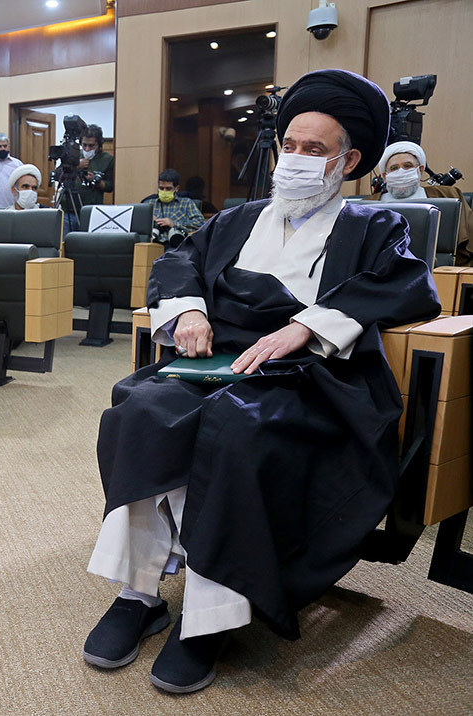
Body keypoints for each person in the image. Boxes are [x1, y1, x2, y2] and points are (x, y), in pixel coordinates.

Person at [82, 69, 439, 695]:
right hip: (215, 361)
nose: (295, 158)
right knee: (138, 412)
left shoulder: (375, 225)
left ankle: (208, 614)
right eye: (289, 145)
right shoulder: (239, 218)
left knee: (232, 430)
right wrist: (189, 310)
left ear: (350, 161)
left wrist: (306, 326)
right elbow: (180, 259)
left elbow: (408, 285)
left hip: (310, 376)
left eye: (315, 149)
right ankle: (139, 593)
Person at [371, 140, 471, 265]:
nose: (401, 172)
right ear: (385, 175)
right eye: (394, 168)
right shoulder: (369, 204)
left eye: (407, 166)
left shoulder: (447, 195)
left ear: (420, 170)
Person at [60, 124, 113, 231]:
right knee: (65, 240)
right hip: (68, 210)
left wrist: (96, 182)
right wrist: (76, 166)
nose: (87, 149)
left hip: (91, 211)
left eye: (91, 146)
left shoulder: (107, 160)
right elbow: (59, 174)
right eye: (84, 145)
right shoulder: (74, 155)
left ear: (99, 145)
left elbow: (110, 186)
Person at [143, 169, 205, 246]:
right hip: (153, 244)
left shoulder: (186, 203)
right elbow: (135, 226)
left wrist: (174, 224)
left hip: (176, 245)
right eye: (161, 188)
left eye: (168, 188)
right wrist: (147, 221)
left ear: (177, 188)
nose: (164, 191)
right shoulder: (148, 204)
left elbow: (200, 223)